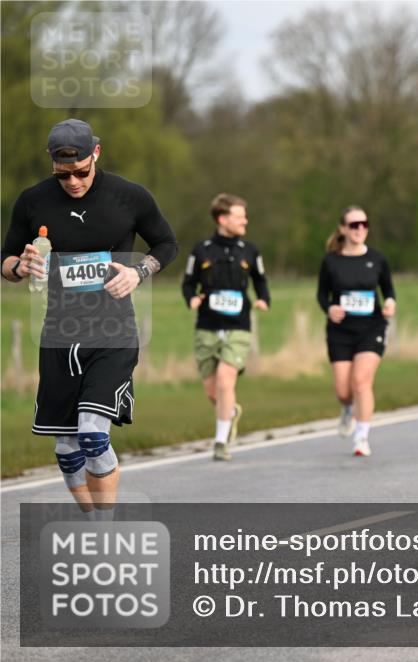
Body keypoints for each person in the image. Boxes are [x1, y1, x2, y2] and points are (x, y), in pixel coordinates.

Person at [0, 119, 178, 517]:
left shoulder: (129, 197)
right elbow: (5, 259)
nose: (74, 182)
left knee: (93, 437)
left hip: (113, 331)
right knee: (66, 449)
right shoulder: (33, 201)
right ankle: (92, 517)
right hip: (60, 333)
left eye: (81, 171)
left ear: (95, 154)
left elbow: (167, 243)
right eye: (64, 175)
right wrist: (20, 266)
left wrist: (138, 271)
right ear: (52, 165)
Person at [181, 194, 270, 461]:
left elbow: (261, 280)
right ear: (222, 219)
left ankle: (220, 442)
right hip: (207, 326)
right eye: (239, 216)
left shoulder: (250, 250)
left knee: (225, 379)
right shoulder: (201, 250)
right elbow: (187, 282)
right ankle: (229, 413)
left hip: (238, 327)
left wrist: (264, 299)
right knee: (214, 391)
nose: (245, 220)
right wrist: (192, 298)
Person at [317, 206, 396, 457]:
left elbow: (389, 291)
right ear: (343, 229)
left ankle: (362, 438)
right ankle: (347, 409)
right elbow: (321, 294)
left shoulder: (377, 259)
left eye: (364, 223)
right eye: (354, 225)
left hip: (371, 328)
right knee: (343, 391)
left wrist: (390, 303)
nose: (360, 229)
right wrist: (329, 308)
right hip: (340, 331)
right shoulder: (331, 261)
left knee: (361, 381)